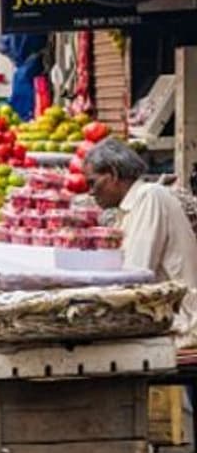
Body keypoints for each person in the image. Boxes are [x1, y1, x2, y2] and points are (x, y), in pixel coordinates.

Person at [85, 139, 197, 347]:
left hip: (182, 327)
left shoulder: (149, 197)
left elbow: (135, 275)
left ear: (113, 174)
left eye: (93, 182)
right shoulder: (128, 209)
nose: (91, 192)